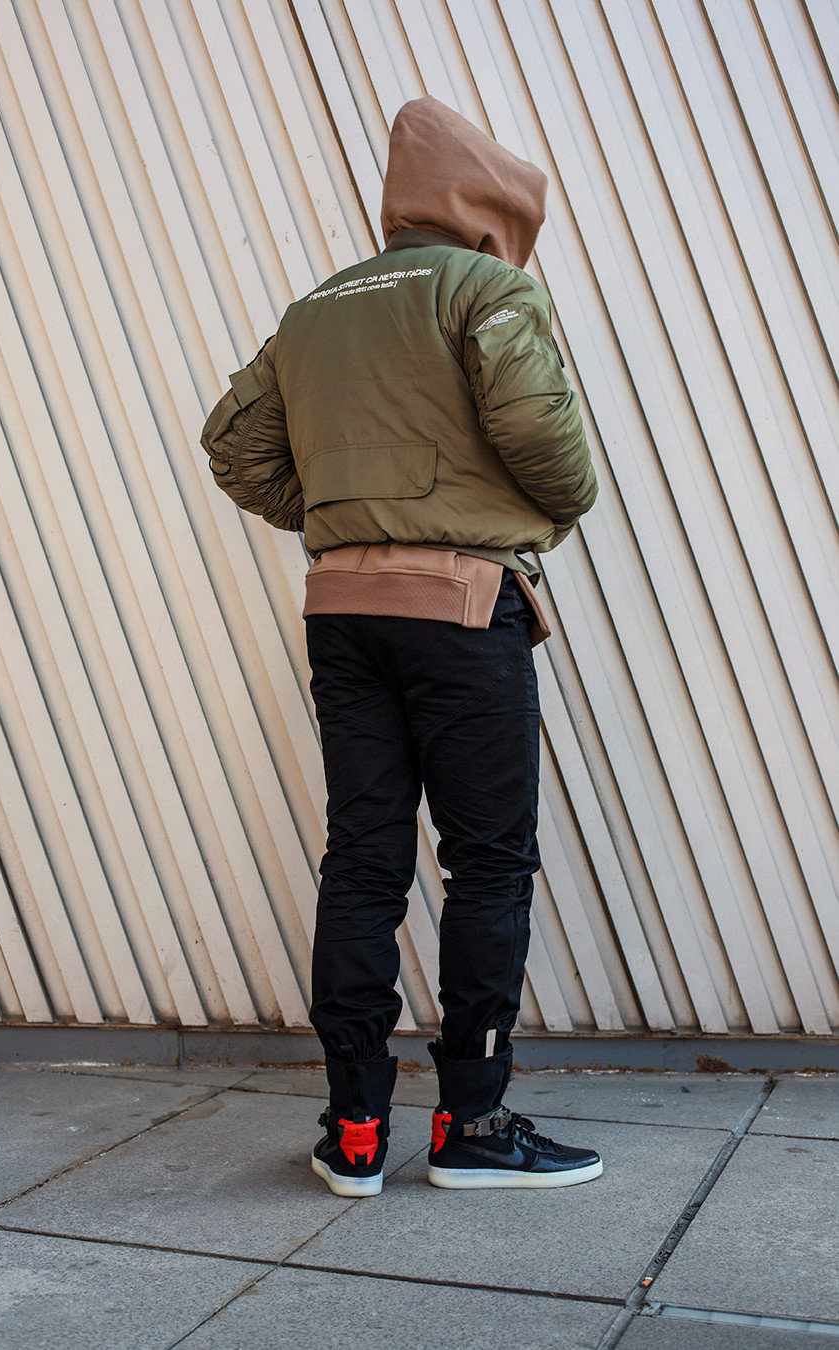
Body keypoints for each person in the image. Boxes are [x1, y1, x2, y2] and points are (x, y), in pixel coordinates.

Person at [201, 96, 601, 1196]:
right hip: (463, 611)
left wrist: (345, 513)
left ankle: (354, 1131)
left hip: (343, 610)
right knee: (488, 861)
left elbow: (232, 447)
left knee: (365, 857)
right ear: (492, 210)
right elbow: (544, 439)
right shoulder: (488, 289)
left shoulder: (318, 306)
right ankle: (472, 1124)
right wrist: (549, 509)